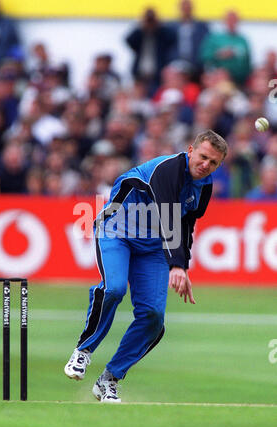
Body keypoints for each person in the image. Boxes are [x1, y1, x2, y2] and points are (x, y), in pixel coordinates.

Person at [64, 129, 227, 403]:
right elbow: (168, 215)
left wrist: (182, 266)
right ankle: (84, 349)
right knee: (114, 289)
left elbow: (186, 223)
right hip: (116, 231)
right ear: (190, 150)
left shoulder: (205, 185)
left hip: (152, 247)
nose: (205, 166)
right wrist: (176, 266)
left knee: (153, 317)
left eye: (213, 163)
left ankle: (109, 379)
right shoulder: (166, 170)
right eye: (203, 157)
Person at [125, 8, 176, 96]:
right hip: (140, 74)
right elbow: (128, 40)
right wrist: (141, 26)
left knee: (156, 96)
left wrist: (159, 25)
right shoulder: (140, 34)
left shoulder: (161, 34)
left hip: (157, 74)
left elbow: (172, 38)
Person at [199, 10, 251, 86]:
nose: (231, 22)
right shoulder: (214, 38)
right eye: (229, 20)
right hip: (217, 80)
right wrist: (218, 54)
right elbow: (204, 56)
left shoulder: (242, 40)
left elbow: (247, 62)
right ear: (224, 21)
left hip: (238, 80)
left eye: (234, 20)